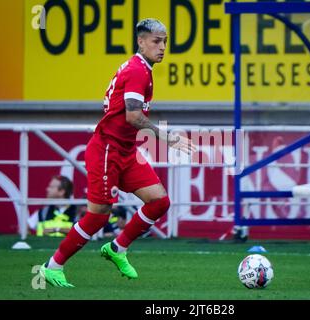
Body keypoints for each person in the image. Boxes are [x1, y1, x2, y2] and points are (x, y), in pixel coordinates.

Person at [40, 18, 196, 287]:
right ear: (141, 41)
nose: (162, 47)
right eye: (157, 41)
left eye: (165, 42)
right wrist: (167, 137)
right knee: (99, 215)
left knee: (159, 201)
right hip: (107, 150)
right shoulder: (137, 70)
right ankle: (51, 266)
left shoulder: (142, 69)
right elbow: (134, 117)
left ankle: (117, 248)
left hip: (125, 150)